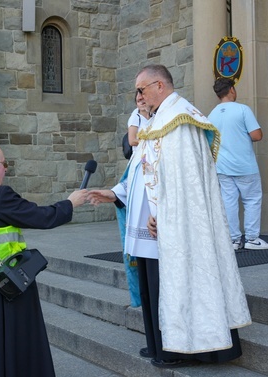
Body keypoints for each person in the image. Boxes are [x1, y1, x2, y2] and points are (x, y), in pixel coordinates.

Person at [88, 65, 251, 368]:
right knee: (153, 290)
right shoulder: (156, 121)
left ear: (159, 85)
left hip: (173, 227)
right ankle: (159, 346)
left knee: (172, 286)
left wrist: (163, 214)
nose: (139, 96)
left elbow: (186, 181)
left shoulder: (180, 121)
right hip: (150, 227)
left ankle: (185, 349)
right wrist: (115, 194)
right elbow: (141, 170)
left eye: (141, 89)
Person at [0, 142, 87, 377]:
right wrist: (71, 202)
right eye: (4, 164)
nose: (5, 170)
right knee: (13, 354)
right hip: (1, 289)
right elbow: (41, 217)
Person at [208, 78, 268, 250]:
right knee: (252, 199)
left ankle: (234, 240)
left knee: (229, 202)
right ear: (232, 90)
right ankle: (252, 238)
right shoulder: (243, 110)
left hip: (222, 166)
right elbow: (256, 135)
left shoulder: (211, 115)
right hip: (244, 165)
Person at [119, 95, 151, 308]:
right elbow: (132, 140)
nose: (141, 100)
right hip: (140, 164)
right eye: (138, 97)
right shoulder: (136, 116)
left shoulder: (159, 115)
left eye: (143, 96)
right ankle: (139, 298)